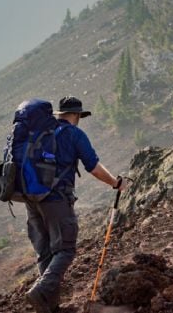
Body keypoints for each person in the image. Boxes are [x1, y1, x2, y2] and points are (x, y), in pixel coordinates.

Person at [25, 96, 125, 313]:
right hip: (56, 199)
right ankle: (41, 291)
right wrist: (116, 183)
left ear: (59, 113)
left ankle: (49, 307)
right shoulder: (74, 134)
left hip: (31, 199)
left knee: (46, 252)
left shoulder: (39, 132)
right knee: (66, 250)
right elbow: (94, 167)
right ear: (77, 115)